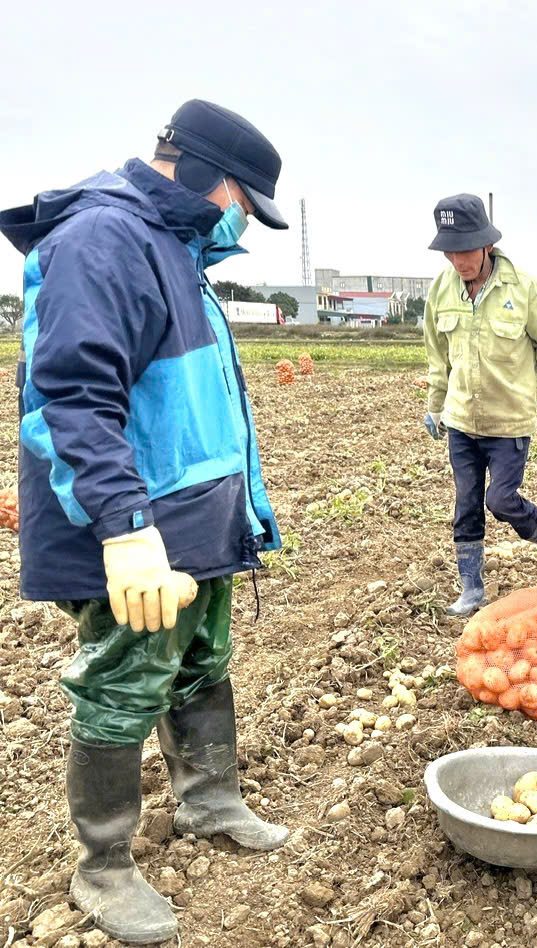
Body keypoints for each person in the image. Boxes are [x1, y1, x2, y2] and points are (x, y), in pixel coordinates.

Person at [0, 100, 292, 944]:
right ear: (202, 173)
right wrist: (125, 532)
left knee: (201, 660)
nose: (243, 223)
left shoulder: (173, 248)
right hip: (133, 529)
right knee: (125, 681)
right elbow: (73, 399)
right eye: (243, 201)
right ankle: (103, 866)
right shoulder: (103, 240)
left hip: (194, 518)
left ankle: (210, 802)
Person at [422, 194, 537, 618]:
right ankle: (471, 588)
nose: (458, 260)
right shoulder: (442, 289)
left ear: (486, 244)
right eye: (450, 251)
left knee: (501, 500)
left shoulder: (524, 289)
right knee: (466, 504)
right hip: (462, 421)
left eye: (466, 249)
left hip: (509, 424)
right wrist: (435, 406)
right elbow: (437, 355)